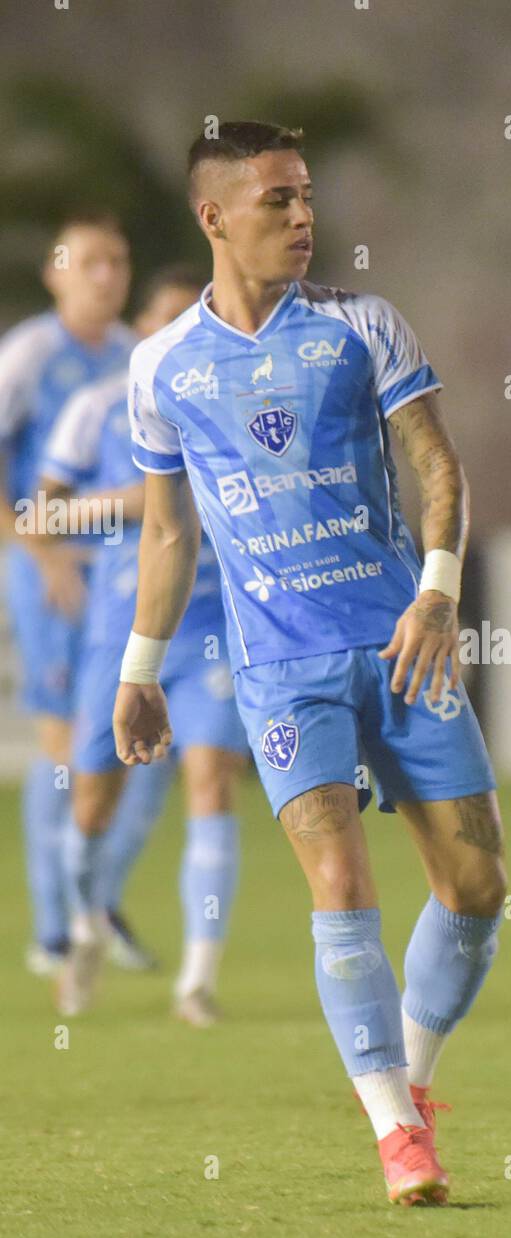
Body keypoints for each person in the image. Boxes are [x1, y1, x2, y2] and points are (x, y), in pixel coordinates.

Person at [113, 122, 506, 1207]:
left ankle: (410, 1083)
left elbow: (438, 463)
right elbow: (166, 533)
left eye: (306, 196)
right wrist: (138, 668)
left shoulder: (359, 327)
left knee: (477, 889)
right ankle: (396, 1137)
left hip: (403, 645)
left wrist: (438, 589)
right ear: (214, 217)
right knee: (339, 884)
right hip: (282, 671)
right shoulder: (162, 369)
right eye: (278, 199)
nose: (302, 216)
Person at [41, 265, 250, 1023]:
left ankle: (197, 978)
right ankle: (86, 925)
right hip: (117, 636)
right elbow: (45, 516)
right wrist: (128, 506)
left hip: (212, 631)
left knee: (211, 781)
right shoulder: (97, 409)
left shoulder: (236, 400)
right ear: (139, 329)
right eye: (161, 320)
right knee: (93, 799)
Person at [0, 213, 164, 975]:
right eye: (92, 261)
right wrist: (39, 550)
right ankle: (55, 930)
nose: (107, 274)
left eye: (119, 260)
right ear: (56, 271)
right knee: (65, 743)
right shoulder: (30, 353)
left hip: (123, 570)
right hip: (48, 573)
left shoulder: (137, 356)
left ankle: (91, 902)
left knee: (140, 748)